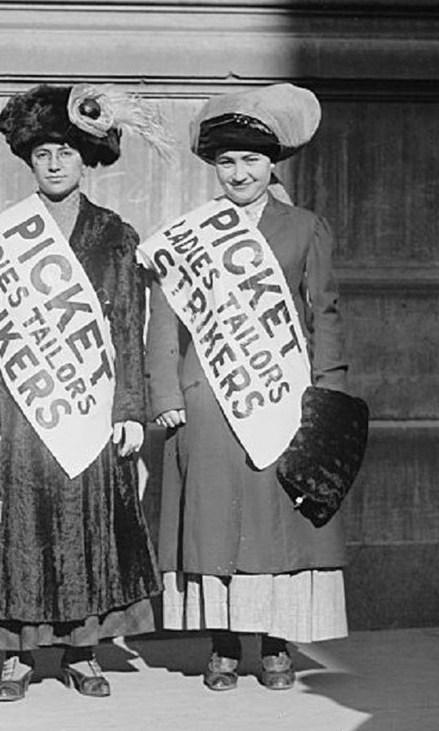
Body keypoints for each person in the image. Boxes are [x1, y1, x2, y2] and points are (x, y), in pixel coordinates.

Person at [0, 84, 160, 702]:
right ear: (29, 160)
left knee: (84, 530)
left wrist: (130, 409)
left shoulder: (115, 235)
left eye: (66, 152)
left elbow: (129, 324)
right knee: (21, 533)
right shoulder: (0, 237)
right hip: (19, 412)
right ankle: (19, 655)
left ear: (86, 159)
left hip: (90, 408)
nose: (53, 163)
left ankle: (81, 651)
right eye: (43, 152)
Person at [147, 83, 349, 691]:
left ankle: (278, 646)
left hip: (283, 397)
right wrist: (166, 395)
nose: (239, 172)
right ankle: (225, 647)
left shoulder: (306, 228)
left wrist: (327, 394)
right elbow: (165, 321)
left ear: (271, 165)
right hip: (208, 399)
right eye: (228, 161)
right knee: (216, 524)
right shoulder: (188, 235)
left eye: (251, 160)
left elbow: (325, 315)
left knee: (276, 525)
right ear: (215, 167)